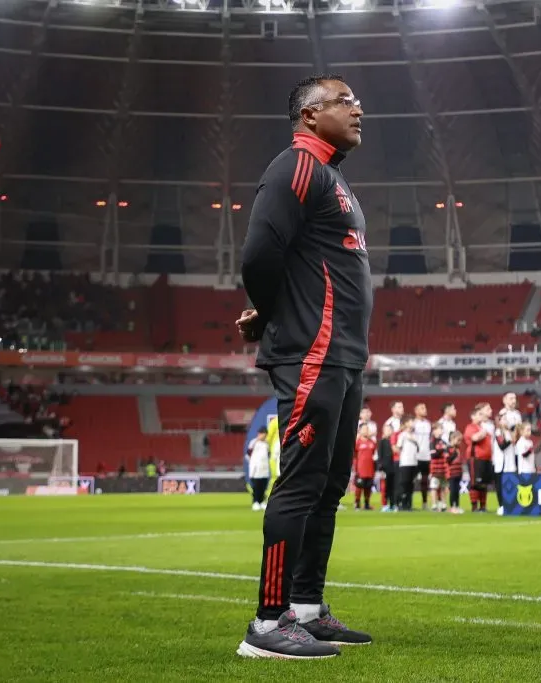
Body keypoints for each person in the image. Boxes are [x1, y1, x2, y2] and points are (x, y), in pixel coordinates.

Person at [235, 74, 371, 659]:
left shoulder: (334, 178)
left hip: (344, 356)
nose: (358, 108)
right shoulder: (296, 166)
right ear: (311, 115)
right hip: (312, 352)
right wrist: (270, 314)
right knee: (298, 483)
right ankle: (268, 622)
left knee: (329, 485)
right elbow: (259, 253)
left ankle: (308, 608)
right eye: (345, 100)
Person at [464, 405, 494, 512]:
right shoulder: (471, 427)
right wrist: (483, 433)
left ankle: (483, 506)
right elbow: (474, 438)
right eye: (479, 414)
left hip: (487, 458)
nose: (481, 417)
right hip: (475, 458)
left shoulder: (483, 427)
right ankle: (474, 506)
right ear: (473, 416)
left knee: (484, 483)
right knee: (475, 483)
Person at [412, 403, 432, 510]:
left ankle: (424, 503)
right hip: (415, 456)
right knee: (411, 479)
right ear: (416, 411)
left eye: (425, 408)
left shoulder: (428, 424)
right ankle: (408, 502)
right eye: (422, 408)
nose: (425, 410)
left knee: (425, 480)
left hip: (426, 456)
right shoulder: (413, 424)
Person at [247, 427, 271, 512]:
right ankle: (255, 502)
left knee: (263, 486)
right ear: (259, 434)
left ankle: (261, 502)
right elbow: (248, 453)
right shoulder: (253, 442)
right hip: (255, 469)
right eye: (263, 434)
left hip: (264, 469)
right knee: (256, 487)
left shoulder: (266, 444)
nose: (264, 436)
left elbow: (268, 455)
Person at [397, 415, 418, 511]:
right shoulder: (402, 435)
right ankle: (402, 503)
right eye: (410, 421)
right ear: (405, 424)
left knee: (411, 484)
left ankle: (409, 504)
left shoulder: (415, 434)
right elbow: (398, 447)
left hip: (414, 462)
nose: (412, 423)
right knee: (404, 484)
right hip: (405, 463)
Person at [353, 426, 377, 511]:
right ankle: (357, 503)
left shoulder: (372, 442)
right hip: (360, 469)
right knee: (359, 487)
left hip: (370, 469)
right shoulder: (358, 442)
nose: (366, 431)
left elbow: (374, 455)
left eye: (367, 429)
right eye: (364, 429)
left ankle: (367, 504)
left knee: (368, 487)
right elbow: (355, 456)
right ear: (360, 431)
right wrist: (356, 468)